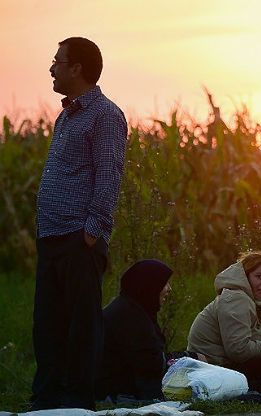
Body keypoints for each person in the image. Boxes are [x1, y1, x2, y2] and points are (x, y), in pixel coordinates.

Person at [32, 37, 127, 410]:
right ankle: (47, 397)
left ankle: (77, 400)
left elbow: (109, 175)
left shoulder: (105, 115)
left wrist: (92, 231)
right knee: (48, 324)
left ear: (77, 68)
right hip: (52, 235)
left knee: (80, 326)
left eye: (58, 61)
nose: (52, 68)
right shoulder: (67, 114)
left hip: (78, 237)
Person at [187, 251, 261, 393]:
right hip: (210, 369)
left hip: (226, 363)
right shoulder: (236, 299)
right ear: (245, 276)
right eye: (259, 276)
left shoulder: (251, 300)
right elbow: (238, 350)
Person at [96, 259, 181, 402]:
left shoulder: (133, 309)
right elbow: (152, 364)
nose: (169, 289)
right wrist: (185, 359)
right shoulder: (128, 317)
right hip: (114, 393)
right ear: (150, 286)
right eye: (164, 283)